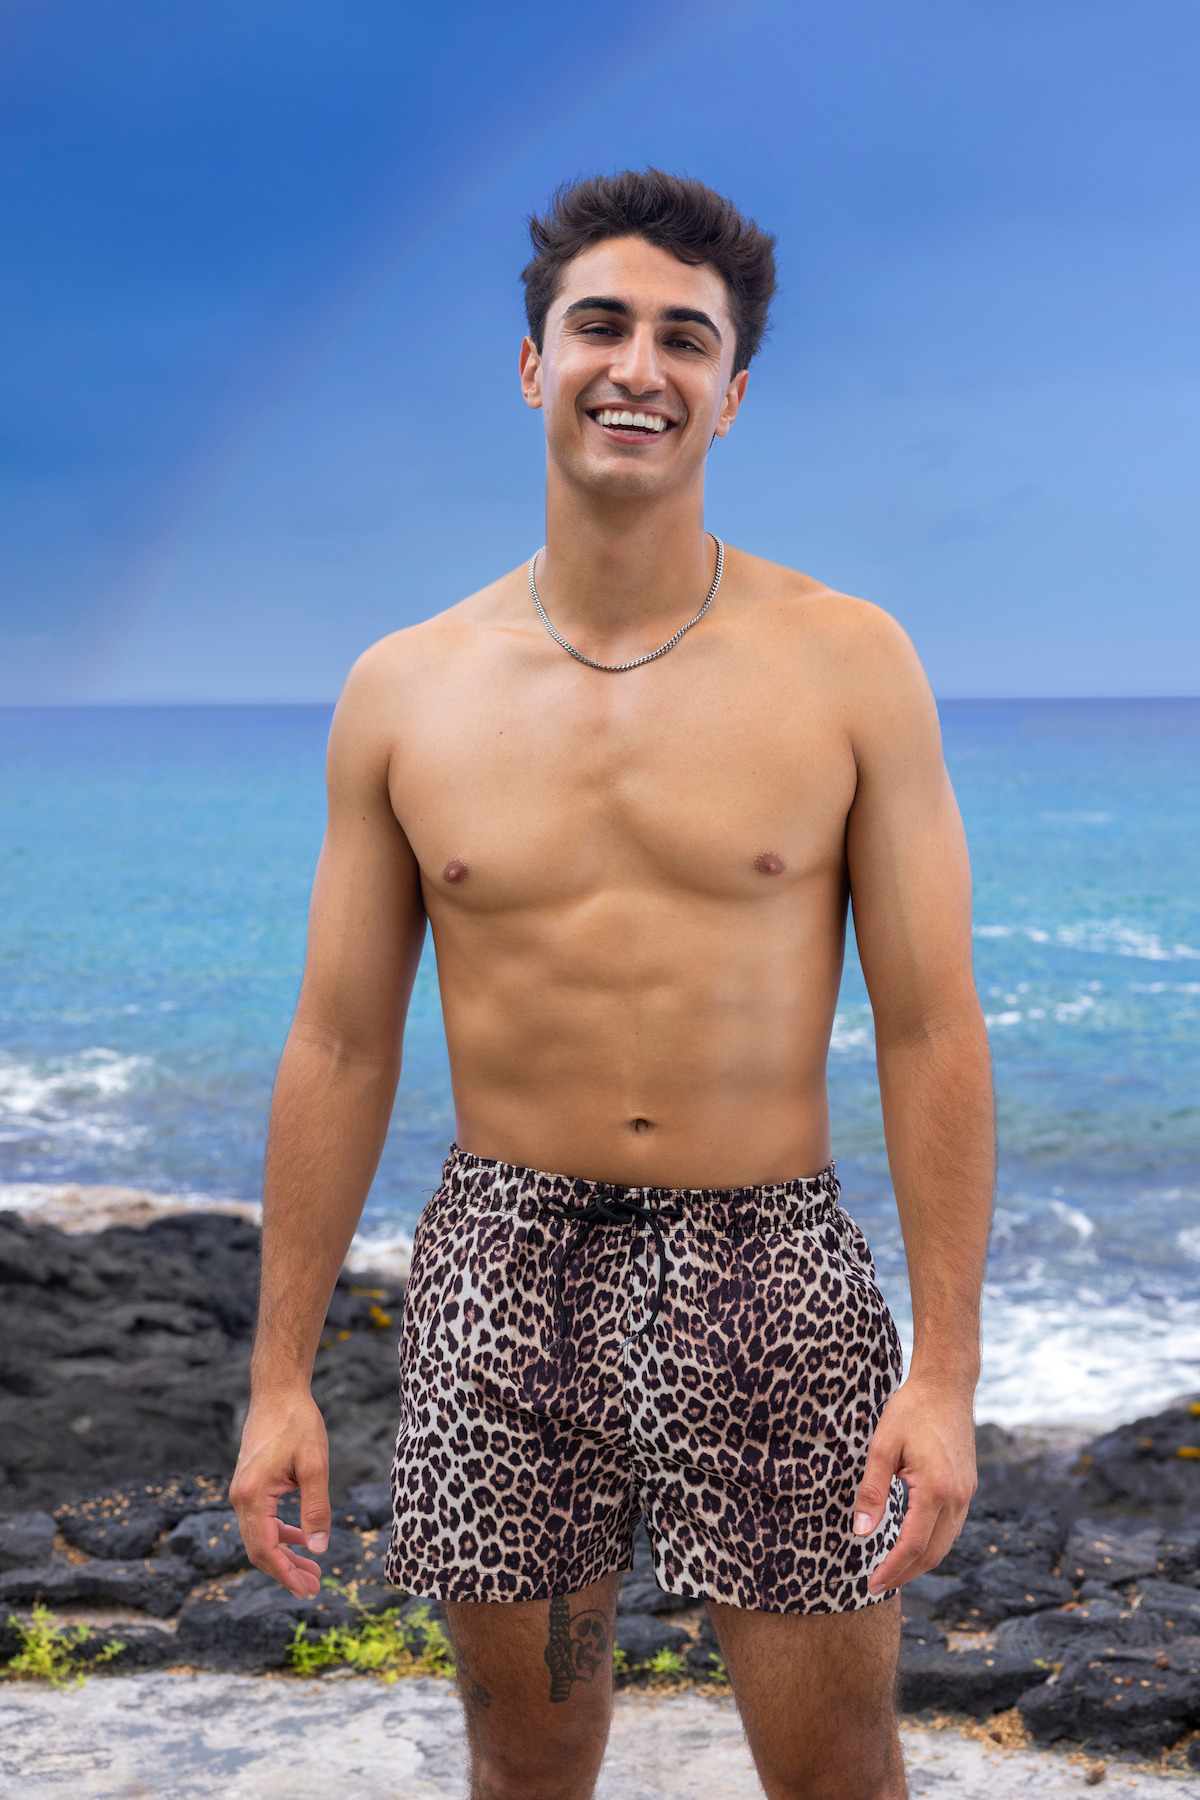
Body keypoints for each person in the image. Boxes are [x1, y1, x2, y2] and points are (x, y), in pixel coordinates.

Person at [230, 169, 994, 1800]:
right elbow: (344, 1039)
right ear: (532, 365)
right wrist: (279, 1378)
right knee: (525, 1762)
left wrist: (944, 1374)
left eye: (683, 338)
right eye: (600, 325)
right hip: (505, 1256)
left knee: (839, 1770)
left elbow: (933, 1027)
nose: (636, 365)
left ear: (733, 392)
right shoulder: (405, 691)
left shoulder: (851, 663)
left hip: (768, 1260)